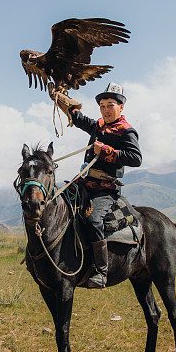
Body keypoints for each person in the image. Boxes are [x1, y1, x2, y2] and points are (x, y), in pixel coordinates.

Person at [50, 83, 142, 288]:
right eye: (102, 106)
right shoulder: (99, 126)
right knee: (58, 205)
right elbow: (80, 120)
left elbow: (136, 158)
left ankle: (101, 271)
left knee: (92, 220)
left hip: (105, 189)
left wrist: (107, 151)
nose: (106, 110)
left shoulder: (127, 132)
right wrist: (63, 100)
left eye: (110, 105)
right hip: (84, 182)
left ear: (121, 107)